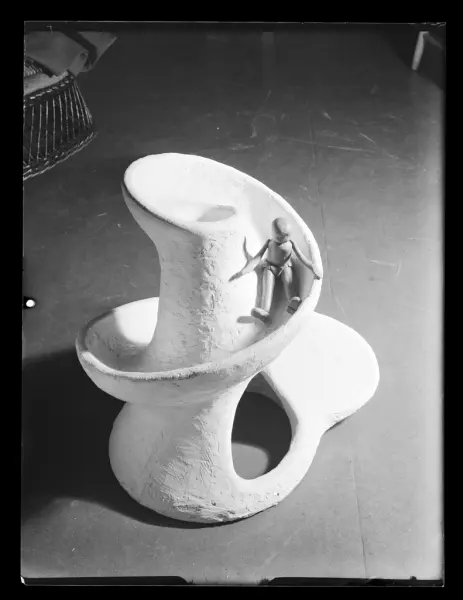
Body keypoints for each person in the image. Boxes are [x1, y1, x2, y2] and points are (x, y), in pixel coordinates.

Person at [230, 217, 322, 322]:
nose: (282, 239)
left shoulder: (291, 244)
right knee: (267, 288)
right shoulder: (269, 243)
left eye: (286, 237)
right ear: (273, 234)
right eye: (279, 236)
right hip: (270, 267)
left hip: (285, 267)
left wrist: (313, 267)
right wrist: (246, 269)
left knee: (289, 283)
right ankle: (264, 311)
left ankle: (293, 302)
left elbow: (302, 258)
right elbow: (258, 257)